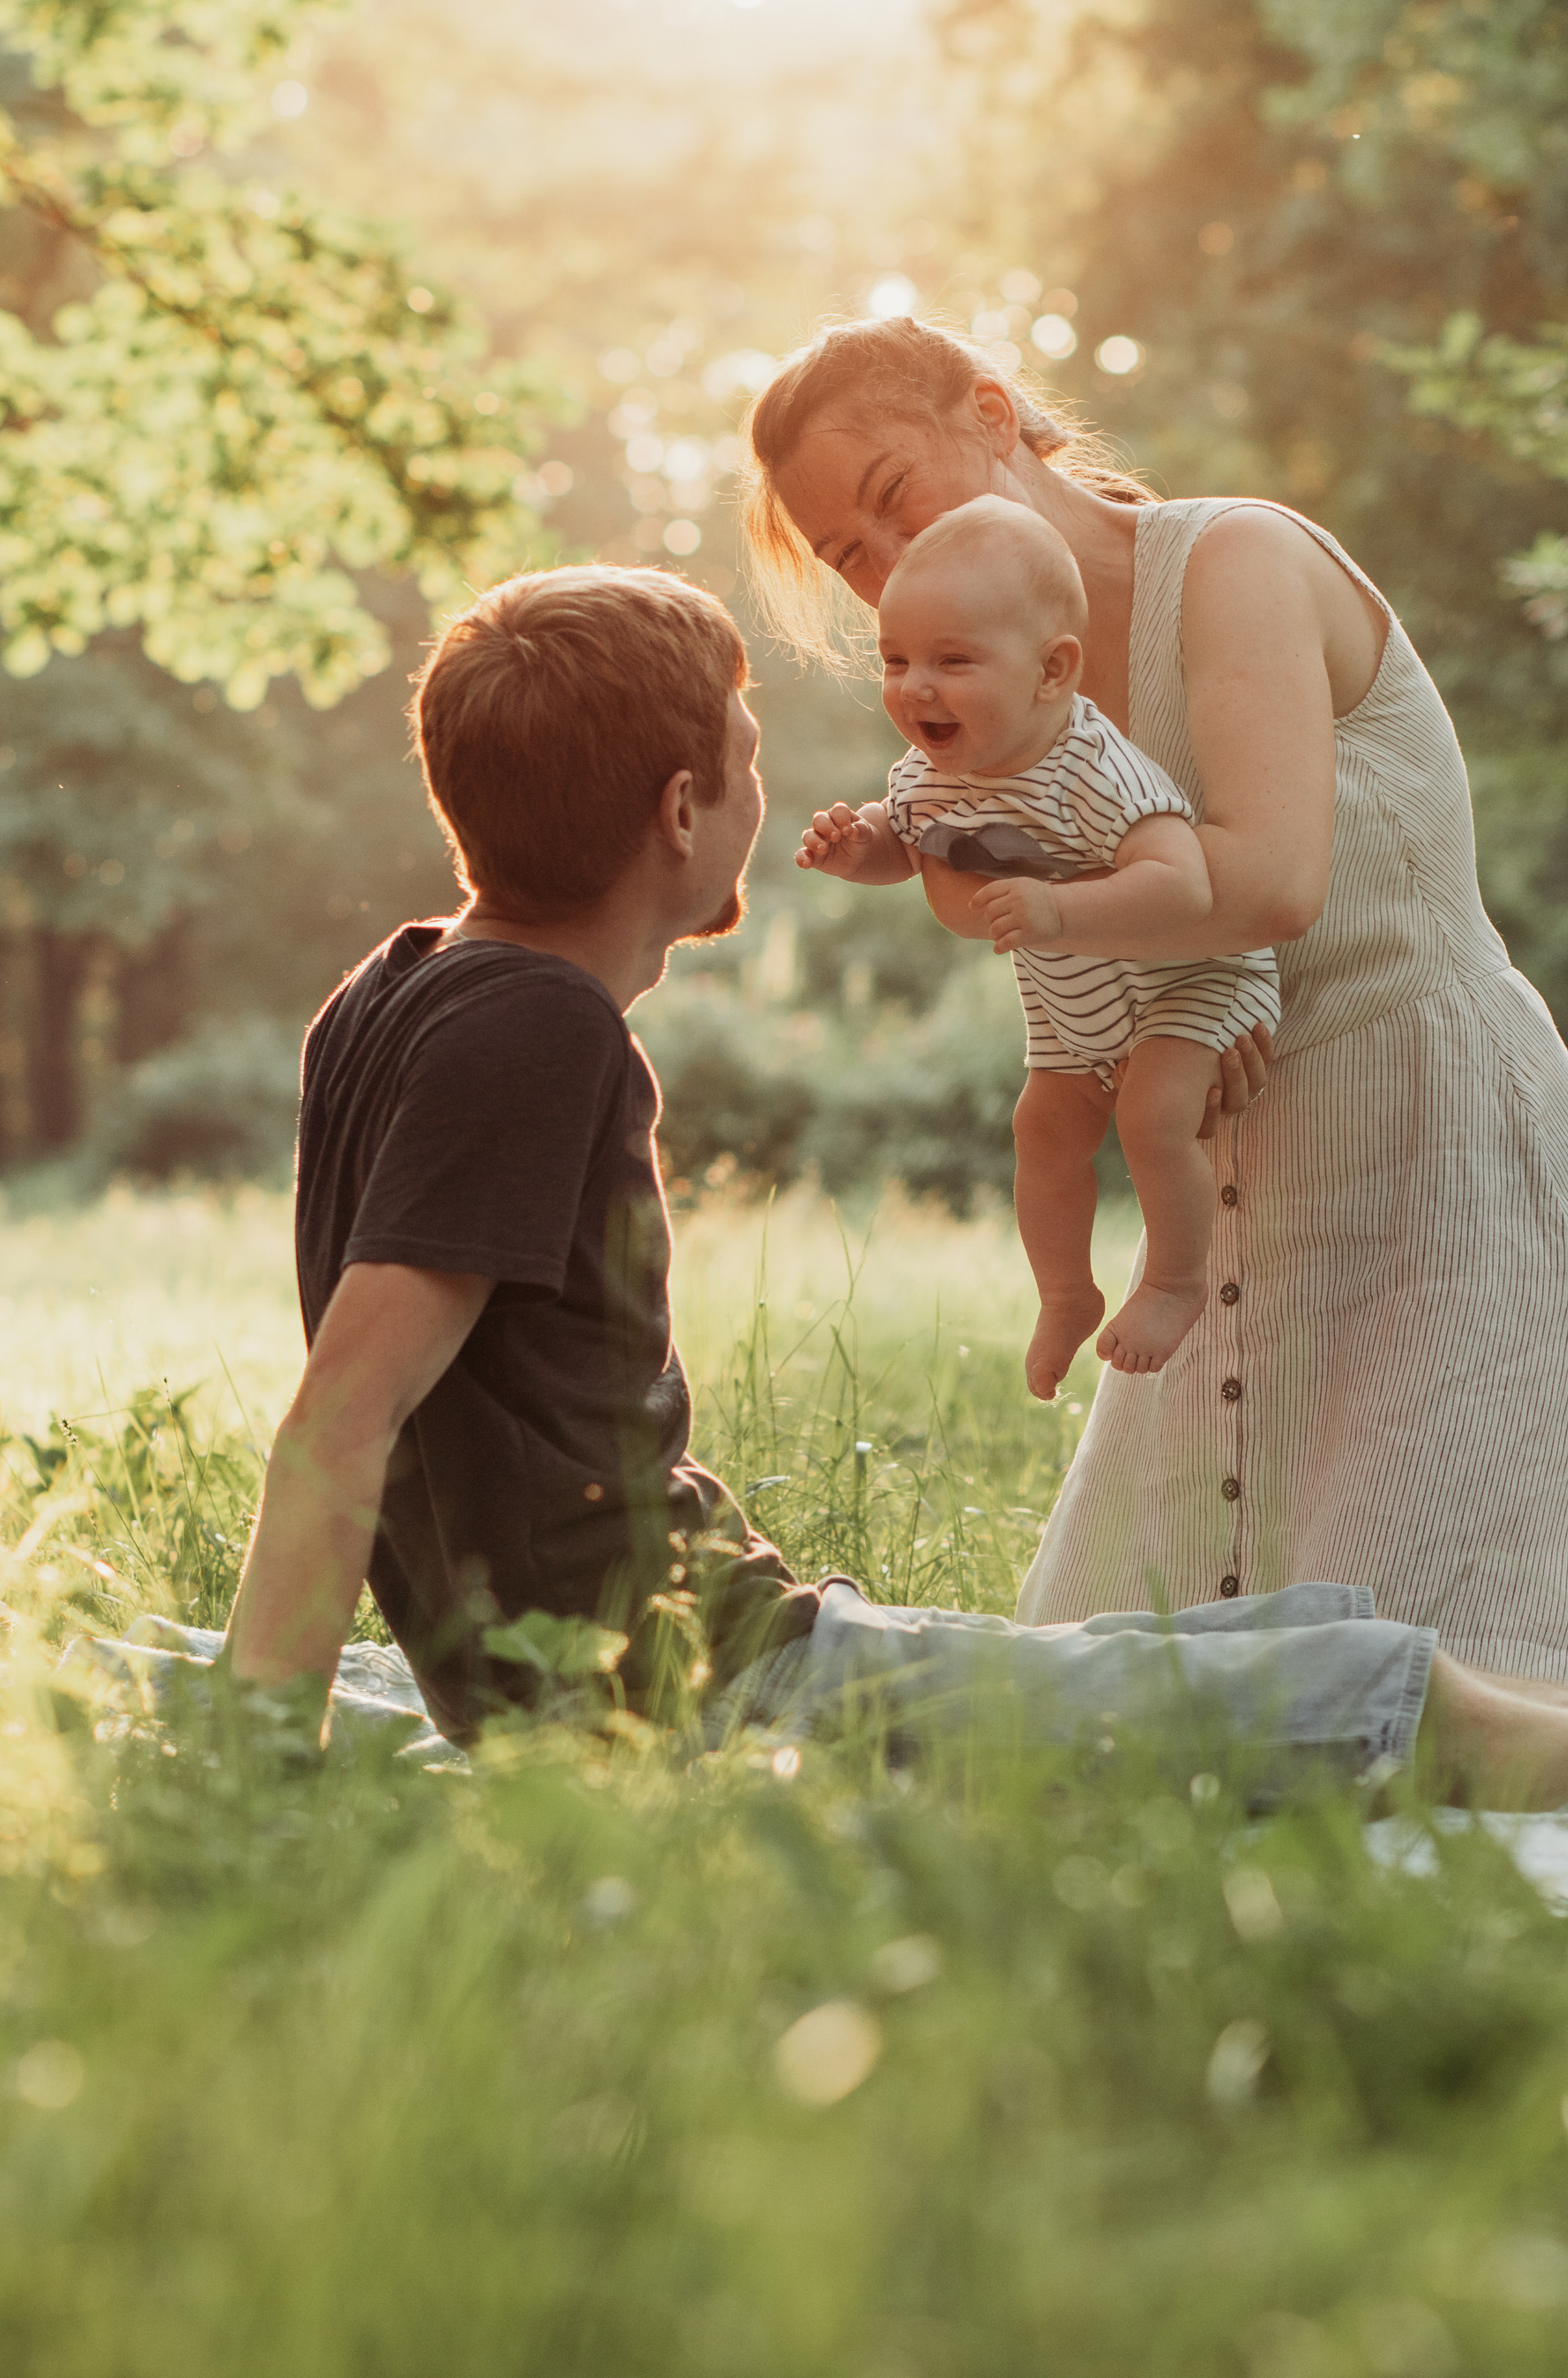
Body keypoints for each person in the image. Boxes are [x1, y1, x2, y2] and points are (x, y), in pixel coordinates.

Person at [221, 558, 1568, 1812]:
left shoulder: (388, 988)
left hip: (711, 1648)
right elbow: (345, 1414)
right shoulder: (535, 1029)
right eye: (746, 765)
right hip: (700, 1691)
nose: (759, 797)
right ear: (681, 811)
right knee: (1341, 1697)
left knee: (1291, 1641)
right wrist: (259, 1792)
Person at [743, 314, 1568, 1682]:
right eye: (851, 559)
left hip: (1433, 1154)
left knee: (1449, 1663)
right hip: (1236, 1177)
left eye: (892, 501)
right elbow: (993, 908)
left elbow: (1271, 883)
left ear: (993, 415)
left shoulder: (1233, 559)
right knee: (1148, 1702)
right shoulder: (997, 687)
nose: (891, 569)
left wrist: (1058, 917)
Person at [794, 494, 1279, 1398]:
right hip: (1074, 1007)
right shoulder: (927, 777)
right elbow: (907, 844)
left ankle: (1173, 1282)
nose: (915, 687)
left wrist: (1061, 912)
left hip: (1190, 982)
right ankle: (1065, 1292)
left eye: (954, 661)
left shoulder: (1095, 767)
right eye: (895, 660)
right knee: (1042, 1130)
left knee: (1149, 1115)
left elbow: (1185, 883)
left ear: (1053, 672)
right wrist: (857, 848)